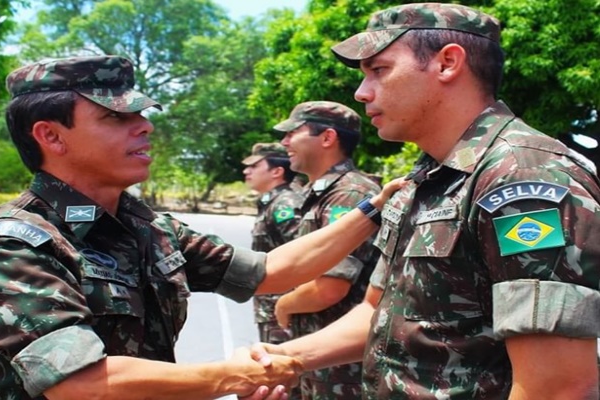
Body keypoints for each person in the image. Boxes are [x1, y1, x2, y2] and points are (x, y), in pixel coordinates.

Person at [0, 55, 407, 400]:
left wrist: (373, 208)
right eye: (115, 118)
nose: (145, 126)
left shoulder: (143, 225)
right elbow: (82, 383)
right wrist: (233, 376)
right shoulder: (11, 242)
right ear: (50, 136)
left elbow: (271, 270)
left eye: (140, 114)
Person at [252, 3, 600, 399]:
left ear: (447, 63)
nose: (361, 93)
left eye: (379, 70)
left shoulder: (522, 175)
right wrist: (286, 358)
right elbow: (379, 313)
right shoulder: (424, 178)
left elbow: (559, 387)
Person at [273, 101, 381, 399]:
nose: (284, 142)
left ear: (327, 138)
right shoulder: (322, 192)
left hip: (342, 365)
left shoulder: (350, 194)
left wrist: (284, 304)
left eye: (292, 132)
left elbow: (330, 288)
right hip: (320, 355)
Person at [242, 143, 302, 347]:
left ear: (277, 171)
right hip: (271, 307)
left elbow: (302, 254)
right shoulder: (272, 202)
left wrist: (291, 303)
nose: (246, 171)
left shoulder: (284, 204)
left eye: (254, 166)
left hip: (284, 309)